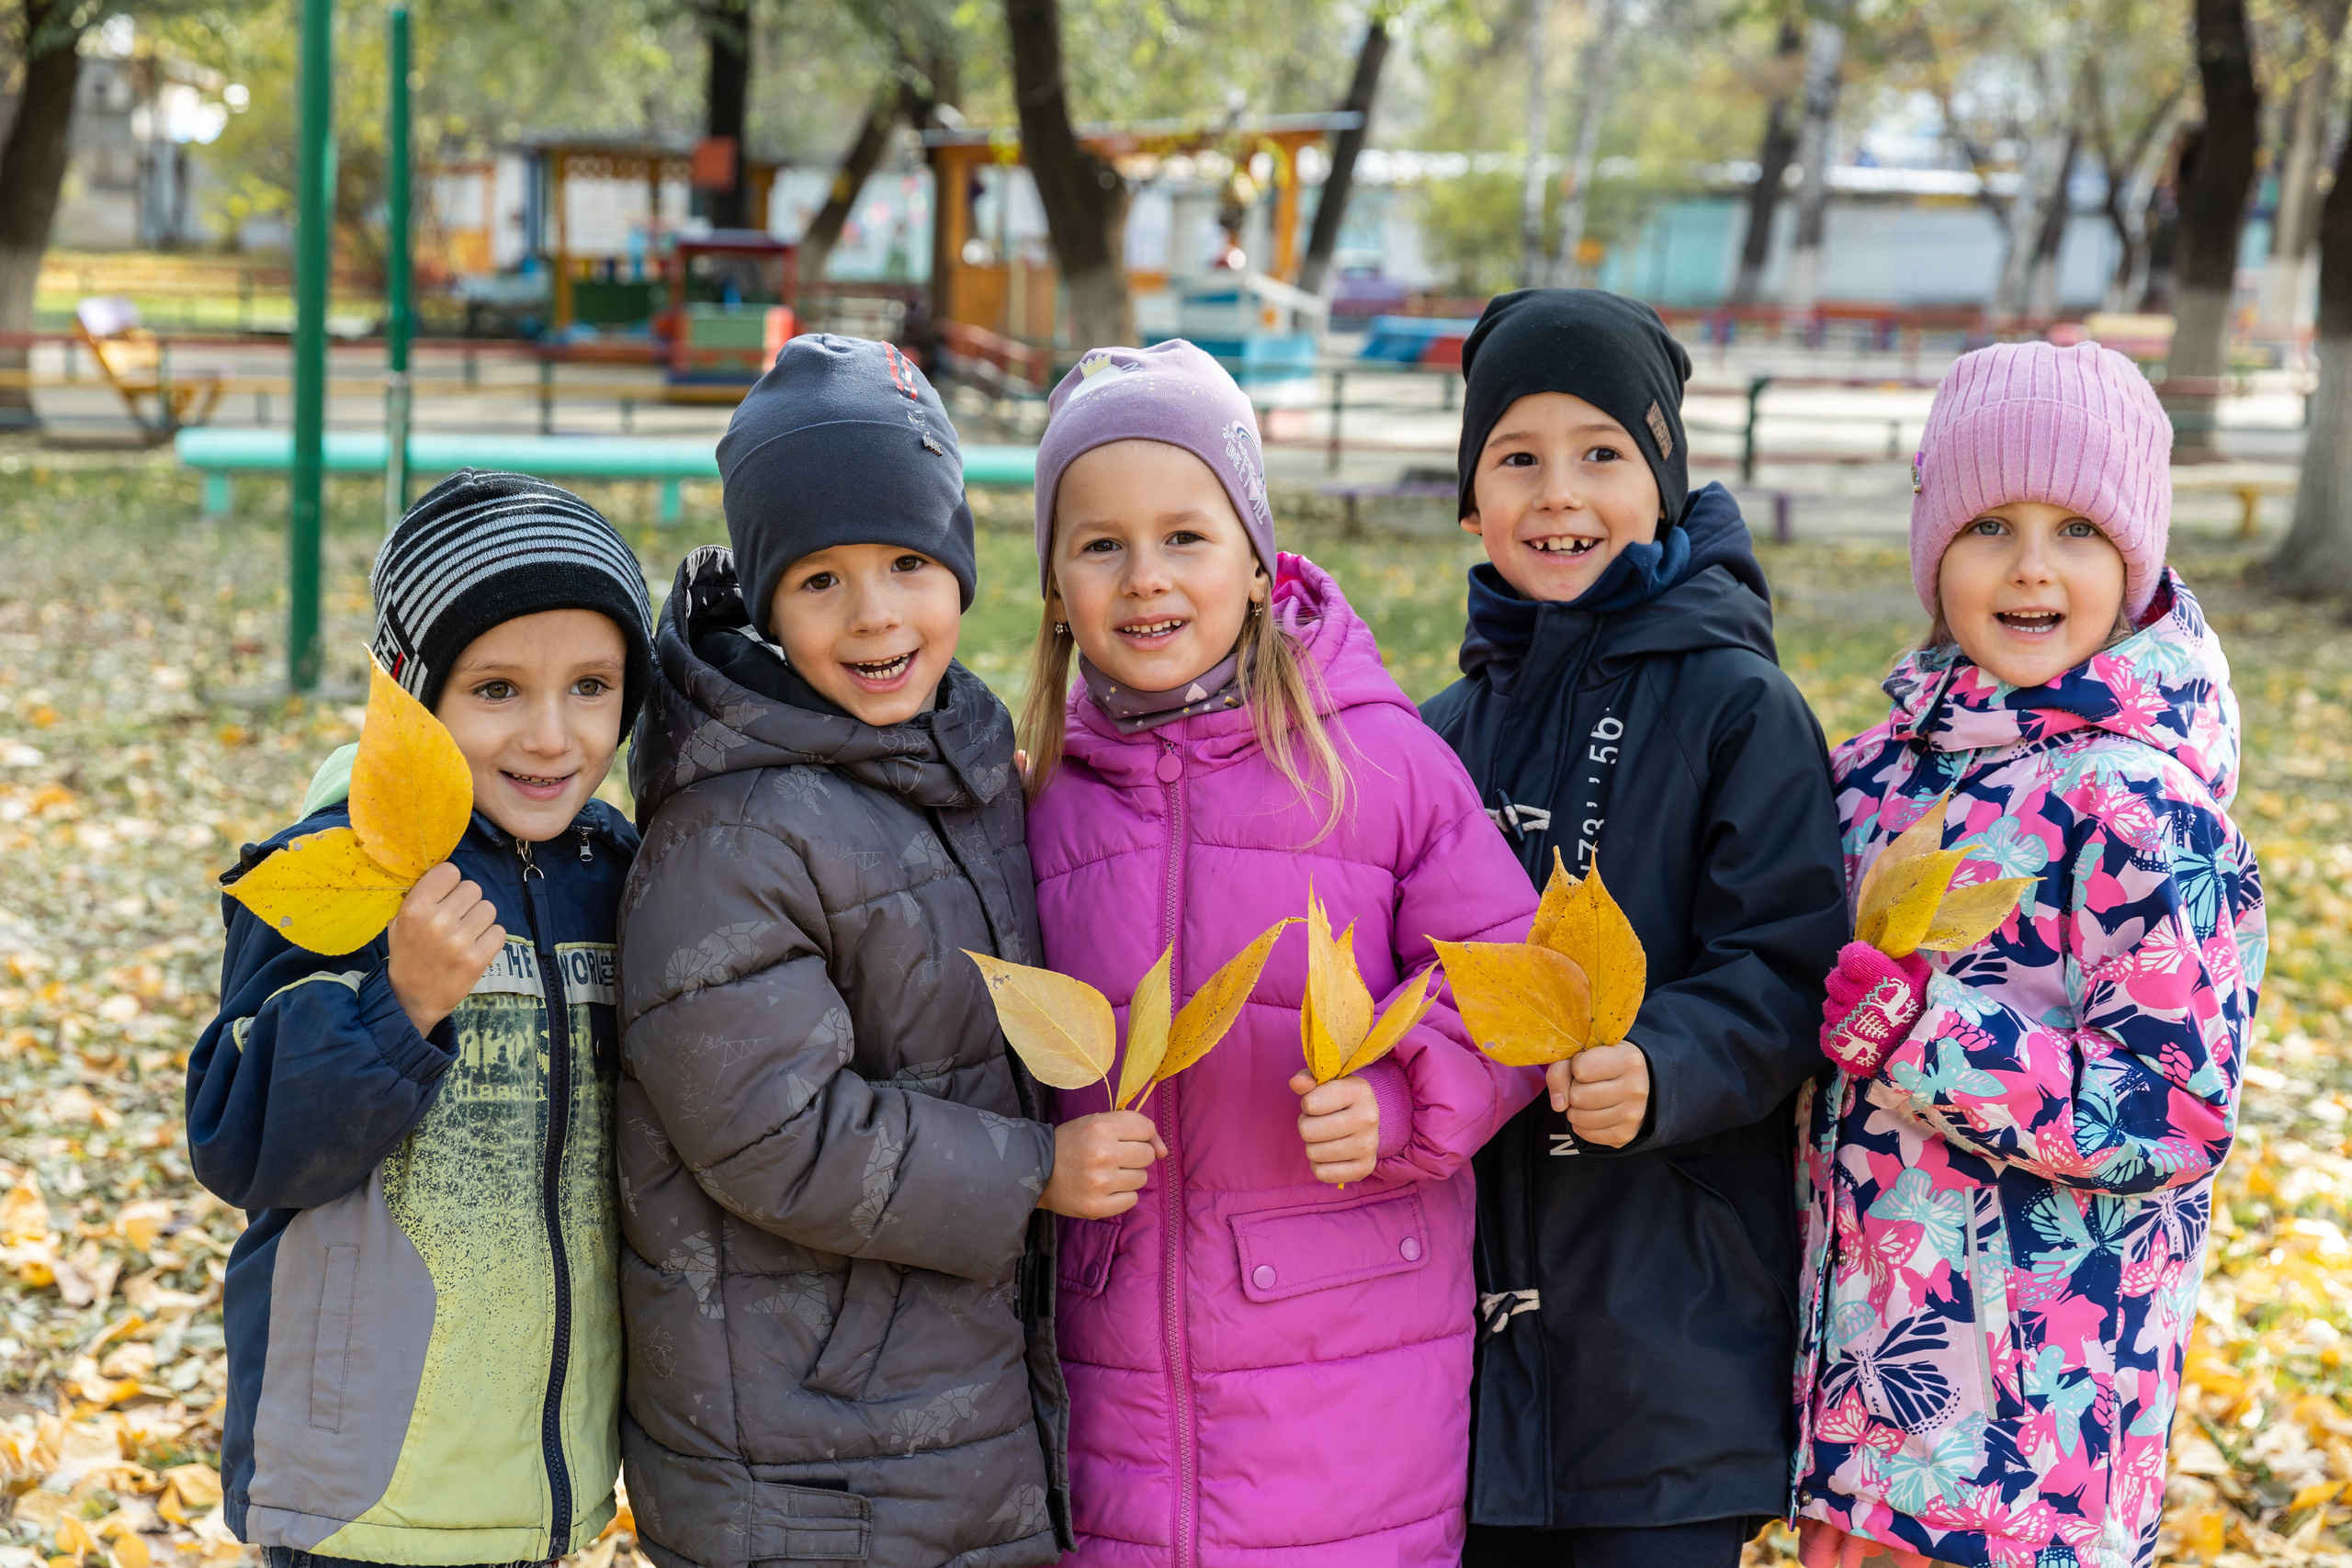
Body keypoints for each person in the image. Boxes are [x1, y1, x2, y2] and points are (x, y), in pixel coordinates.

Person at [1018, 339, 1544, 1566]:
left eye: (1186, 535)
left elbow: (1517, 995)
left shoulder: (1377, 762)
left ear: (1257, 560)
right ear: (1052, 584)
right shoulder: (1038, 797)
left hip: (1349, 1379)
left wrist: (1406, 1089)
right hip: (1116, 1372)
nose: (1146, 578)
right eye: (1101, 544)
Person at [616, 335, 1123, 1568]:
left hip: (925, 1418)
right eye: (822, 580)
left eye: (908, 562)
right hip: (807, 1460)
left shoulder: (947, 767)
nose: (877, 612)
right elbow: (771, 1130)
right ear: (768, 601)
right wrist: (1030, 1168)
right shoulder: (732, 829)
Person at [1793, 341, 2264, 1568]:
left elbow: (2170, 1109)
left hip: (2032, 1434)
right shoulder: (1868, 778)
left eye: (2078, 531)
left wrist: (1927, 1040)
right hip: (1859, 1388)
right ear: (1933, 547)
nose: (2032, 566)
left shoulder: (2146, 811)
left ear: (2137, 558)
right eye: (1990, 522)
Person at [1419, 289, 1852, 1568]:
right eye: (1518, 457)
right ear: (1471, 495)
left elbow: (1789, 965)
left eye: (1602, 453)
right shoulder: (1438, 731)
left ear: (1663, 475)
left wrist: (1666, 1062)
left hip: (1671, 1337)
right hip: (1470, 1366)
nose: (1561, 493)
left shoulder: (1740, 708)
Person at [187, 471, 656, 1565]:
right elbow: (242, 1142)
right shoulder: (343, 869)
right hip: (363, 1496)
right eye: (496, 688)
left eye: (591, 686)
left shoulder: (618, 872)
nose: (551, 736)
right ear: (411, 699)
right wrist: (398, 1008)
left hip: (543, 1483)